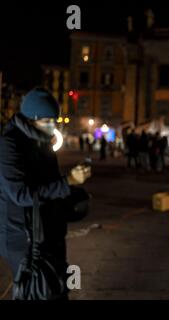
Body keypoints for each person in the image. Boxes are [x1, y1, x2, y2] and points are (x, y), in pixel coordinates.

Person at [0, 88, 91, 300]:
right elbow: (21, 195)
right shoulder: (9, 144)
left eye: (54, 120)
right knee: (36, 290)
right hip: (22, 237)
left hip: (46, 230)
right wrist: (68, 181)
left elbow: (50, 182)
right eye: (47, 121)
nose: (52, 126)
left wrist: (73, 192)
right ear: (31, 119)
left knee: (56, 286)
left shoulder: (42, 141)